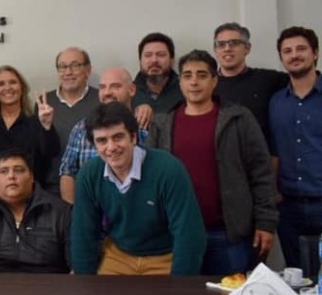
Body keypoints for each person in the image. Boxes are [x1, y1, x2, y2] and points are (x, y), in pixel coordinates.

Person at [147, 50, 278, 275]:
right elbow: (151, 177)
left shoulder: (238, 119)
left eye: (202, 75)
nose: (194, 82)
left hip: (227, 234)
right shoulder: (162, 123)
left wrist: (266, 222)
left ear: (214, 80)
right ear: (180, 82)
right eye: (187, 75)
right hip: (177, 234)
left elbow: (261, 173)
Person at [71, 102, 206, 275]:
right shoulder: (89, 175)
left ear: (134, 137)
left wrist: (180, 285)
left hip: (165, 256)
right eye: (102, 141)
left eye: (118, 137)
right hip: (118, 255)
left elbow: (189, 234)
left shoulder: (168, 169)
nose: (111, 147)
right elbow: (83, 235)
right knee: (95, 293)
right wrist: (84, 284)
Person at [0, 149, 71, 278]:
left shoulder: (61, 211)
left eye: (19, 170)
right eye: (3, 171)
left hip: (48, 283)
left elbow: (75, 260)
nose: (11, 176)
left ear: (31, 177)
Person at [269, 26, 322, 268]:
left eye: (301, 49)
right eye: (287, 51)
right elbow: (274, 150)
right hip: (289, 206)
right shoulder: (276, 102)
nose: (294, 55)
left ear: (315, 53)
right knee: (296, 276)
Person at [59, 67, 151, 203]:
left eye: (115, 86)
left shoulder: (144, 125)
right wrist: (73, 210)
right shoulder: (81, 128)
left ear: (132, 90)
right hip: (91, 206)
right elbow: (67, 172)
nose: (107, 92)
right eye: (102, 87)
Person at [0, 64, 58, 183]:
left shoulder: (36, 121)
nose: (8, 88)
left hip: (31, 188)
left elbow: (52, 152)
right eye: (1, 84)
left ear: (22, 88)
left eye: (13, 82)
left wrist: (47, 126)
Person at [212, 22, 289, 141]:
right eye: (221, 44)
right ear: (215, 50)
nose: (227, 49)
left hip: (260, 151)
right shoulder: (206, 85)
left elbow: (302, 81)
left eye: (234, 43)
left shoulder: (268, 80)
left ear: (247, 48)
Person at [41, 47, 99, 194]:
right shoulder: (44, 102)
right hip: (52, 187)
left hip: (92, 185)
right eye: (63, 67)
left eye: (75, 66)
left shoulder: (101, 99)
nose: (68, 72)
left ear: (88, 70)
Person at [133, 32, 184, 113]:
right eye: (148, 55)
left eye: (161, 55)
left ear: (172, 60)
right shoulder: (130, 92)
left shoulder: (186, 89)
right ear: (140, 60)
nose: (154, 60)